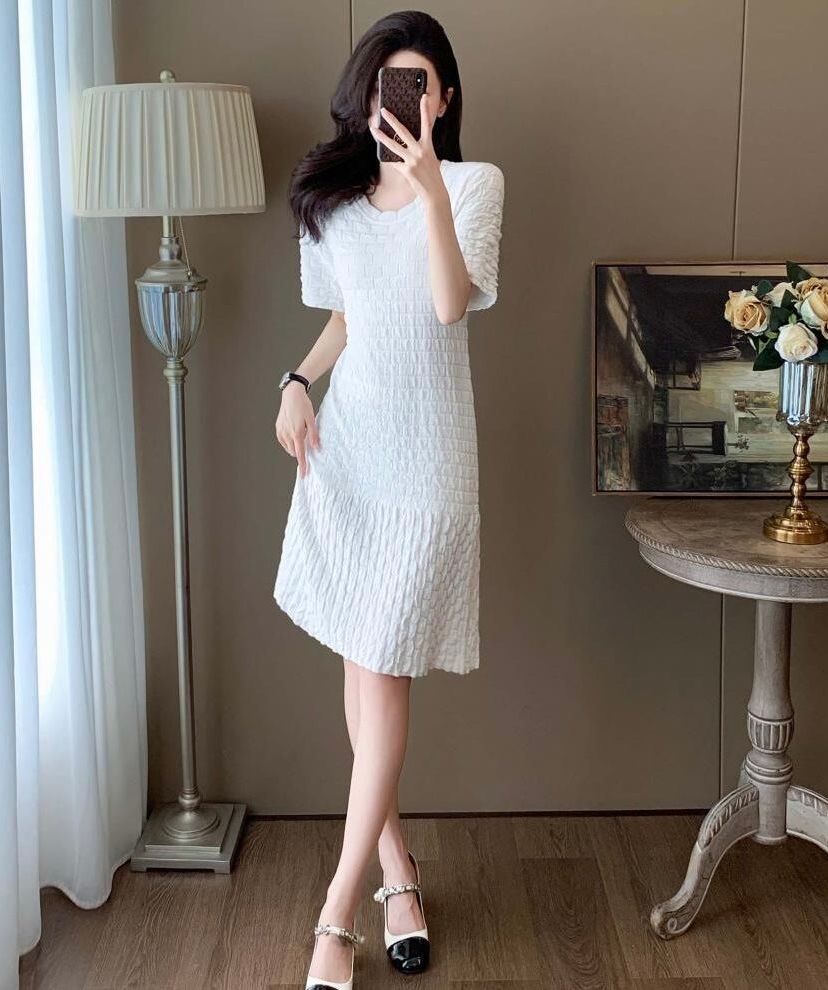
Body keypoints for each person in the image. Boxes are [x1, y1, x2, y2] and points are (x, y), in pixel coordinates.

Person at [272, 10, 505, 989]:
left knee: (383, 667)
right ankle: (396, 875)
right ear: (366, 96)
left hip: (429, 465)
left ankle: (336, 916)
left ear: (443, 99)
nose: (401, 98)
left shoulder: (476, 186)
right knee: (362, 666)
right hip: (351, 454)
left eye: (419, 84)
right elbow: (347, 319)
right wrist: (296, 382)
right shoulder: (334, 203)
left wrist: (431, 191)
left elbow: (449, 304)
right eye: (387, 83)